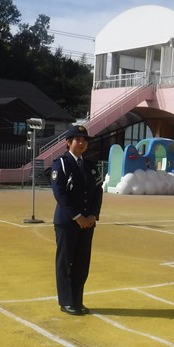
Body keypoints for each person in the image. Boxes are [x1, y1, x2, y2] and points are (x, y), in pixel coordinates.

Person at [51, 124, 103, 316]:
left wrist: (93, 215)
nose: (81, 143)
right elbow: (60, 193)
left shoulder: (90, 166)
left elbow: (98, 191)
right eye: (77, 140)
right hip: (67, 222)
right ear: (68, 143)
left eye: (84, 141)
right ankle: (66, 301)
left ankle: (77, 300)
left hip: (88, 223)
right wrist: (77, 216)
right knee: (65, 262)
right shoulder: (61, 164)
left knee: (82, 262)